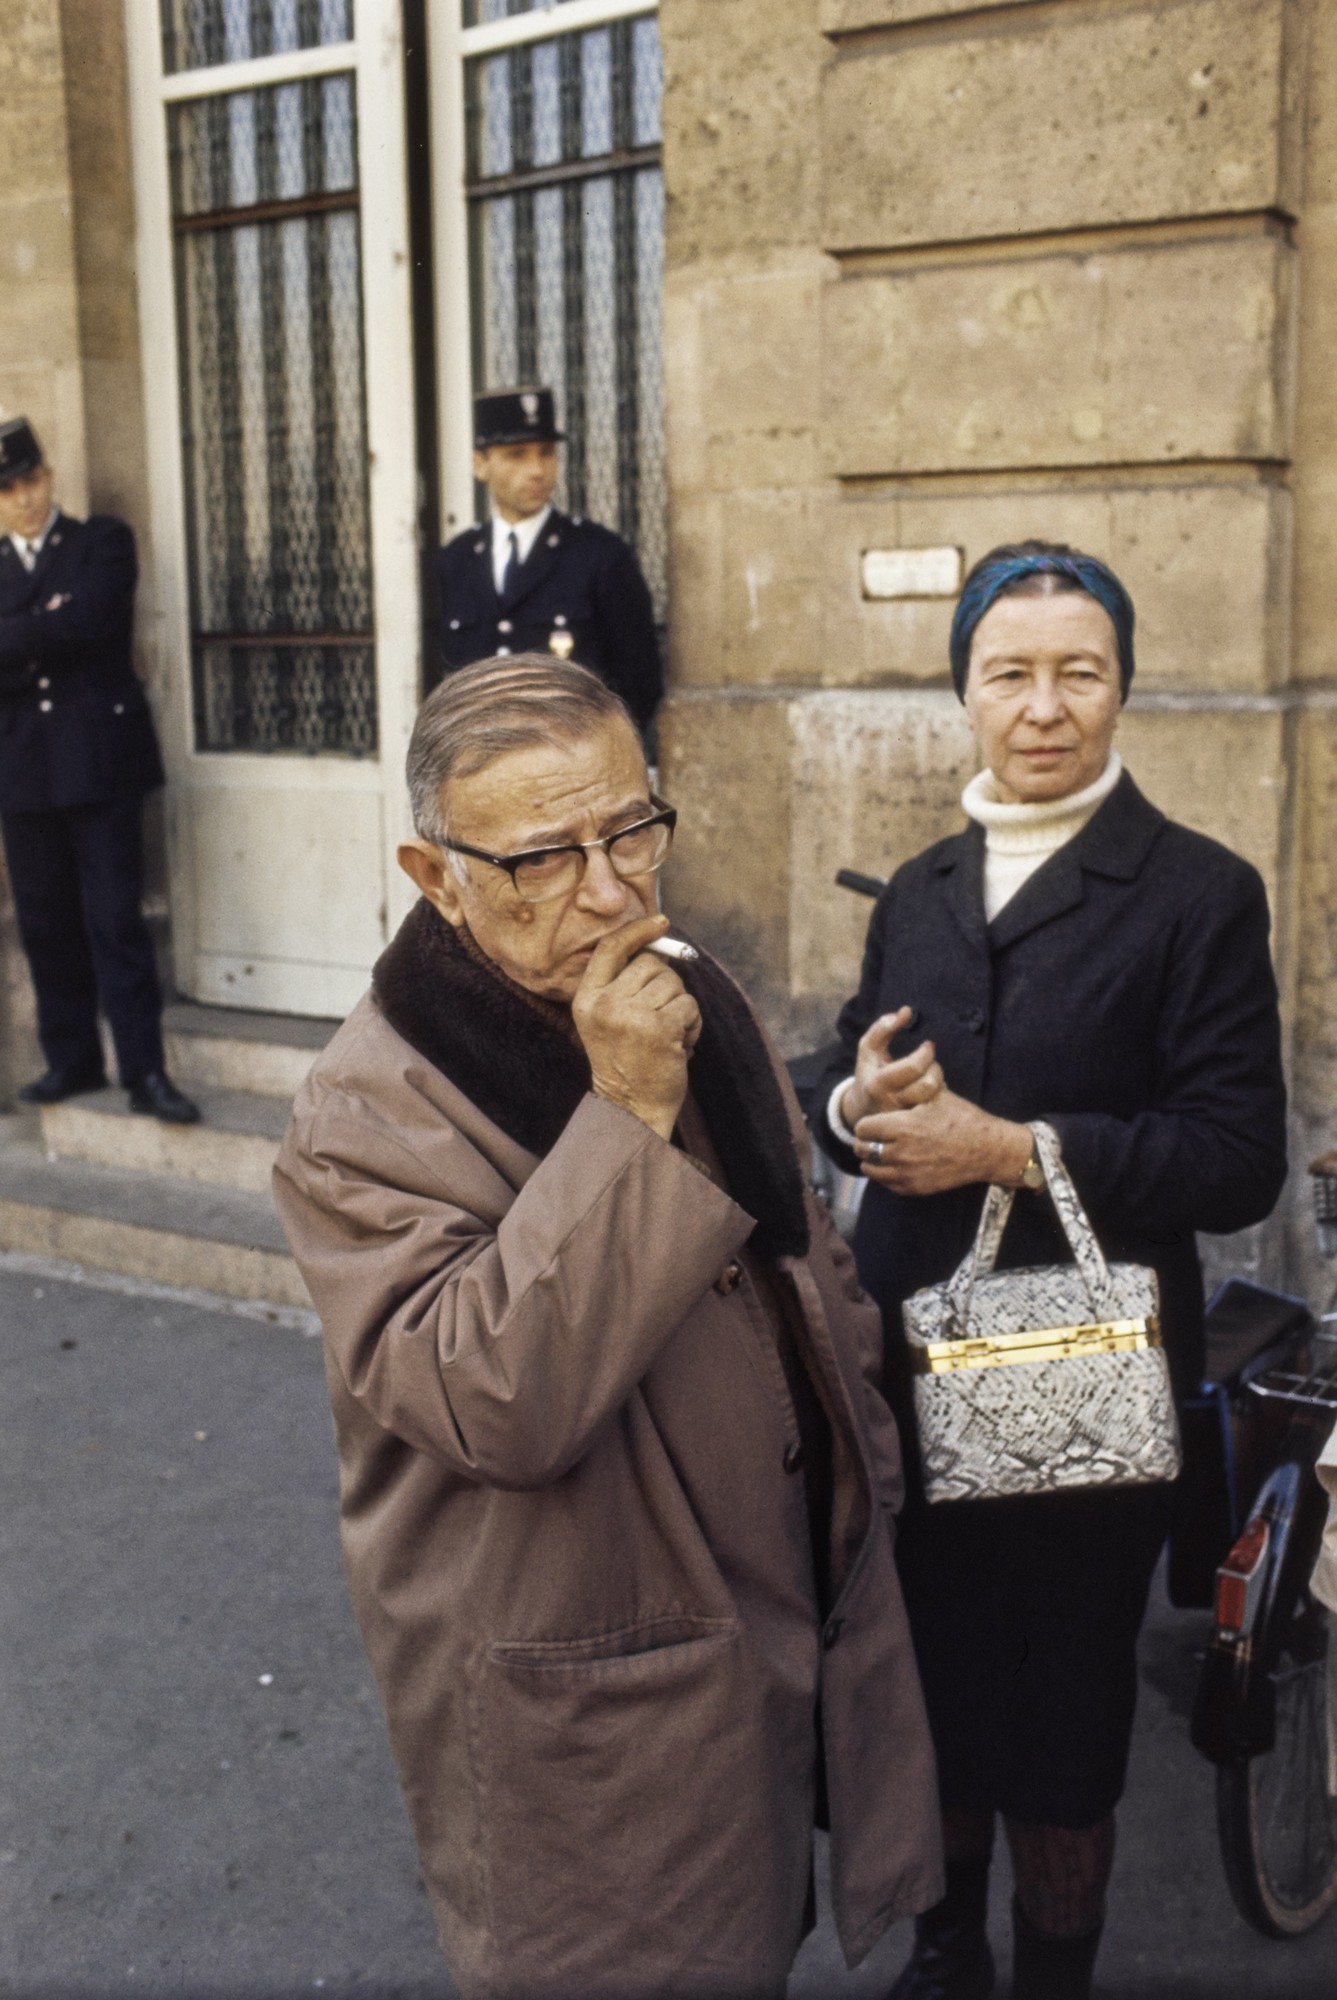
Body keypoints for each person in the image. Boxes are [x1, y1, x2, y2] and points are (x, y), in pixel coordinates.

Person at [272, 653, 942, 2000]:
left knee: (753, 1931)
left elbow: (797, 1252)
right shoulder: (365, 1110)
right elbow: (493, 1399)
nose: (608, 888)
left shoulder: (685, 981)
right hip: (589, 1669)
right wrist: (624, 1112)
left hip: (776, 1606)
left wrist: (863, 1434)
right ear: (433, 873)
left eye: (631, 829)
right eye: (542, 859)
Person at [813, 540, 1288, 2000]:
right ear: (962, 691)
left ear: (1122, 688)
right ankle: (949, 1949)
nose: (1043, 705)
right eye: (1008, 673)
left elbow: (1232, 1156)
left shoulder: (1198, 893)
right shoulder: (921, 881)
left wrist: (1011, 1150)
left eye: (1078, 672)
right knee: (931, 1696)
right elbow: (859, 1053)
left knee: (1058, 1729)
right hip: (904, 1358)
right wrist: (847, 1104)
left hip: (1074, 1389)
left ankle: (1052, 1976)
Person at [0, 417, 197, 1123]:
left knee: (116, 920)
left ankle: (144, 1073)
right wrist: (50, 623)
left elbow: (96, 619)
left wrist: (19, 636)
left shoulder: (100, 542)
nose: (22, 498)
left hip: (100, 767)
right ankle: (72, 1060)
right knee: (47, 924)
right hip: (22, 775)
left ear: (49, 475)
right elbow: (65, 629)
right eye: (7, 489)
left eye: (30, 479)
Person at [435, 386, 663, 731]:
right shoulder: (456, 560)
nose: (538, 470)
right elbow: (442, 683)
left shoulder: (598, 554)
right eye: (517, 454)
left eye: (546, 453)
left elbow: (639, 684)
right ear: (480, 465)